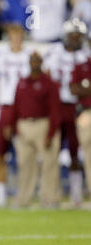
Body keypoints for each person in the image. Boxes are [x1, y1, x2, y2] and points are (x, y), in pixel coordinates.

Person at [43, 18, 88, 206]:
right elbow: (46, 77)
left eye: (79, 36)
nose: (76, 39)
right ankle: (52, 194)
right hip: (57, 105)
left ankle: (76, 194)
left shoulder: (86, 56)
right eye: (72, 36)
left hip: (77, 108)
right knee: (51, 151)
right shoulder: (54, 53)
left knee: (76, 151)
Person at [0, 22, 31, 208]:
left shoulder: (29, 56)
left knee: (25, 154)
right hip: (5, 106)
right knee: (0, 153)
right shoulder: (1, 56)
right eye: (13, 35)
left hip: (23, 108)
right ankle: (0, 194)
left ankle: (24, 194)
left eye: (18, 35)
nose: (15, 38)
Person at [11, 52, 62, 207]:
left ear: (41, 62)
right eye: (32, 60)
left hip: (43, 124)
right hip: (24, 125)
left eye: (37, 61)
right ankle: (24, 199)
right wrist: (14, 127)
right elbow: (16, 106)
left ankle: (50, 198)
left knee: (49, 164)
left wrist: (51, 132)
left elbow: (55, 109)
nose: (34, 63)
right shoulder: (22, 82)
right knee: (25, 164)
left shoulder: (49, 83)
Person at [70, 42, 91, 202]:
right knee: (88, 154)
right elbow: (73, 89)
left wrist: (86, 88)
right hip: (86, 113)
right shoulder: (82, 66)